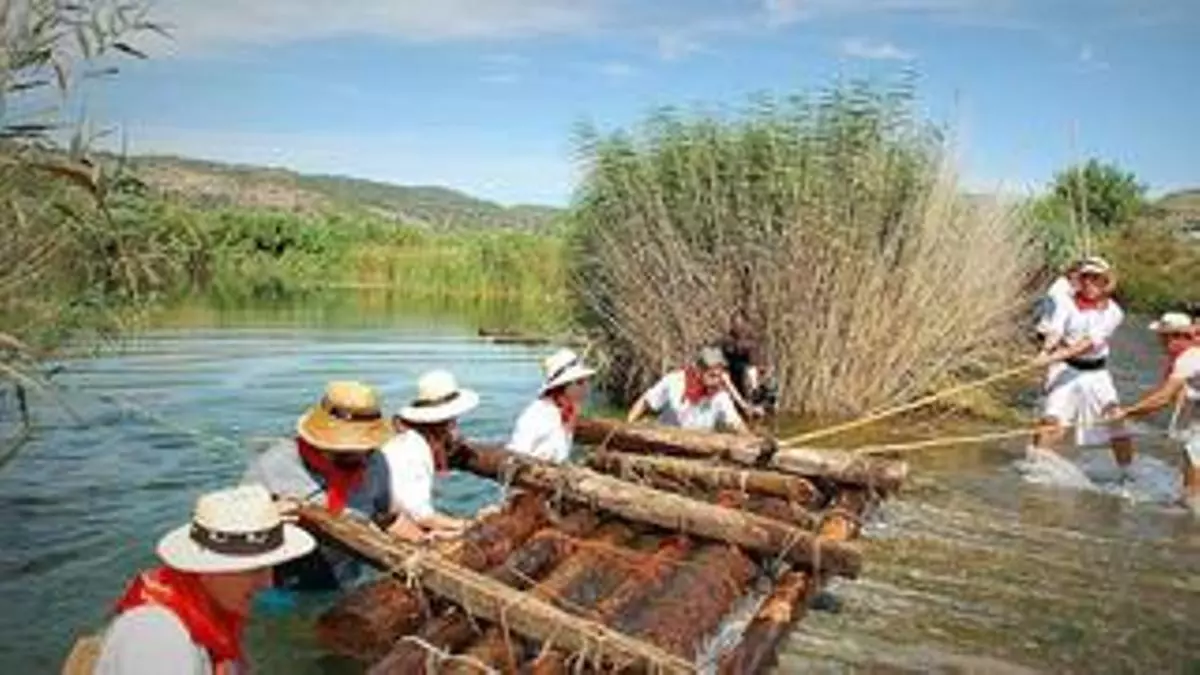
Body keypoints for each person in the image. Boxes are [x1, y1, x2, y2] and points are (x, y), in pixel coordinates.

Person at [93, 485, 316, 674]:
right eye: (253, 570)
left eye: (270, 567)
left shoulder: (202, 606)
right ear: (206, 569)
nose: (268, 583)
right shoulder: (159, 641)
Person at [242, 380, 417, 590]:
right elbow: (226, 535)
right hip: (284, 588)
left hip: (347, 580)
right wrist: (261, 519)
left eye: (365, 445)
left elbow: (387, 517)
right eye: (348, 447)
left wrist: (424, 542)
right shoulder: (272, 467)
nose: (361, 455)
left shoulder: (375, 461)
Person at [1031, 256, 1135, 472]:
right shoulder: (1066, 301)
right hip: (1066, 369)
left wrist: (1052, 357)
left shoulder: (1114, 312)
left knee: (1115, 419)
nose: (1089, 283)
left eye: (1096, 278)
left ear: (1106, 282)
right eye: (1086, 277)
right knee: (1051, 422)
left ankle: (1128, 473)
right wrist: (1045, 351)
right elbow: (1057, 330)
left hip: (1096, 373)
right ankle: (1034, 467)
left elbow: (1087, 344)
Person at [1106, 311, 1200, 513]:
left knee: (1193, 456)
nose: (1158, 341)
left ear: (1174, 337)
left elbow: (1163, 398)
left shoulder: (1188, 359)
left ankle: (1189, 514)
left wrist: (1127, 412)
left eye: (1161, 336)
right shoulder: (1192, 354)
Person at [381, 370, 479, 540]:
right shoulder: (415, 451)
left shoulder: (411, 439)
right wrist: (467, 525)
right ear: (445, 423)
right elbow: (422, 516)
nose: (455, 425)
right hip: (388, 520)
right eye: (452, 420)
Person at [627, 346, 749, 434]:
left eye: (719, 375)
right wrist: (628, 425)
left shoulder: (721, 397)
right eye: (712, 375)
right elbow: (645, 401)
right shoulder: (674, 381)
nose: (716, 381)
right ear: (698, 371)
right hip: (663, 439)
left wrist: (750, 442)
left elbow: (737, 425)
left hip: (696, 446)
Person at [506, 348, 596, 463]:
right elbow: (513, 459)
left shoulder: (568, 411)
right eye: (580, 382)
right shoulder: (536, 416)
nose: (586, 387)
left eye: (587, 380)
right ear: (562, 387)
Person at [718, 312, 768, 419]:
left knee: (751, 373)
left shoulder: (753, 337)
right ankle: (745, 407)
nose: (738, 327)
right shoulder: (728, 339)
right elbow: (728, 347)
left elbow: (757, 361)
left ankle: (755, 404)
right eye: (735, 324)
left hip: (750, 372)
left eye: (740, 324)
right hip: (732, 371)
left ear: (745, 324)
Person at [1034, 259, 1082, 341]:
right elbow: (1059, 301)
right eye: (1077, 275)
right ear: (1071, 273)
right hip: (1051, 324)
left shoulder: (1073, 288)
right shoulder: (1062, 284)